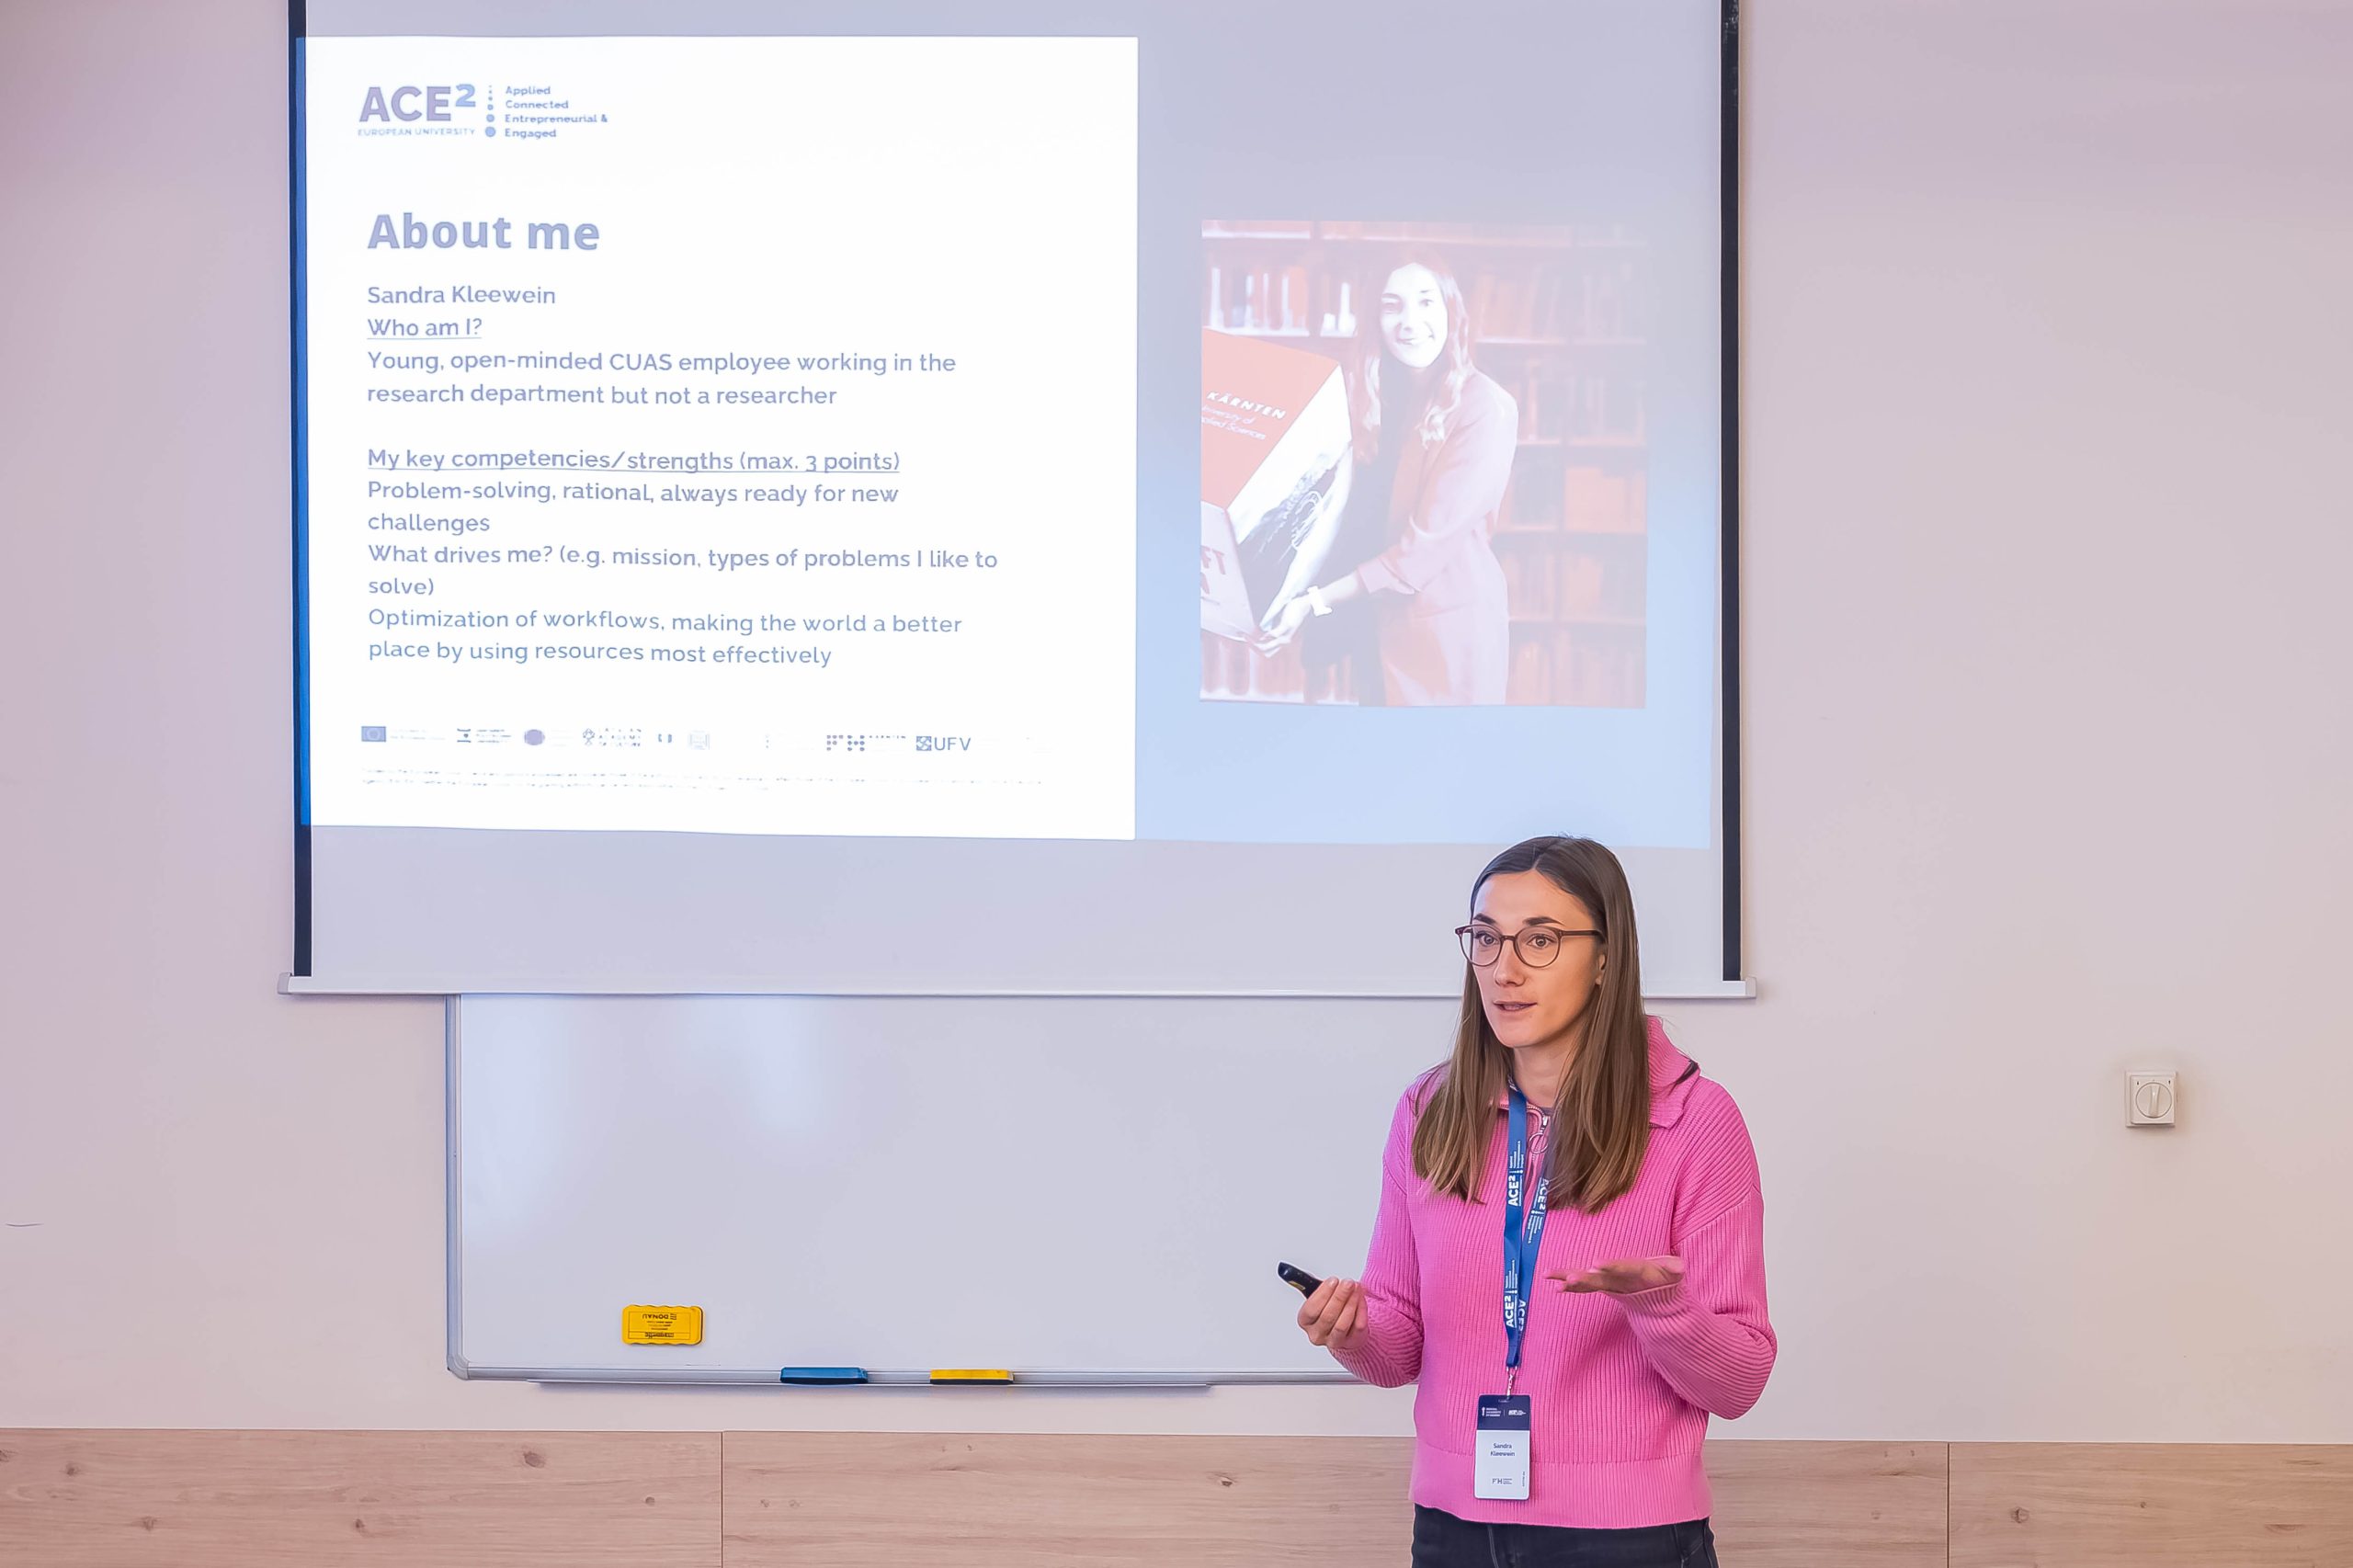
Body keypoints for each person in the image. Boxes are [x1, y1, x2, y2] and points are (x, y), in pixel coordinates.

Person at [1294, 836, 1773, 1565]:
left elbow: (1738, 1384)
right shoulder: (1429, 1111)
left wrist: (1661, 1306)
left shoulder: (1695, 1120)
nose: (1504, 969)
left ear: (1606, 958)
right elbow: (1399, 1353)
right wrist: (1351, 1331)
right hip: (1454, 1528)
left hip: (1627, 1538)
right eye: (1486, 939)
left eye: (1540, 940)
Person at [1256, 254, 1515, 705]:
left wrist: (1311, 603)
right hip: (1375, 631)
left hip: (1445, 640)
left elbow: (1416, 557)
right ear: (1376, 319)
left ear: (1452, 311)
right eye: (1392, 306)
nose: (1410, 322)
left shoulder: (1484, 407)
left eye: (1426, 302)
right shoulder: (1379, 398)